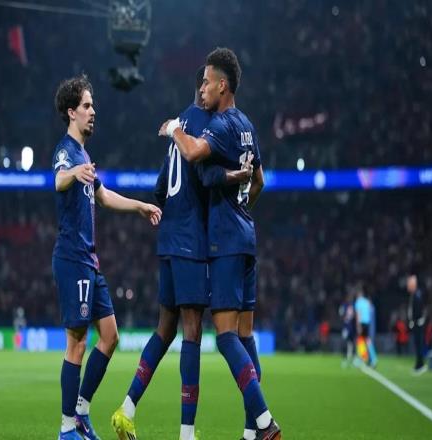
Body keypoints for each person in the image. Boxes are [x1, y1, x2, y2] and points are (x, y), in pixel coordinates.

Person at [112, 66, 253, 440]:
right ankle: (187, 434)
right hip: (192, 241)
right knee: (192, 332)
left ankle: (126, 408)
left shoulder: (179, 125)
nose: (208, 91)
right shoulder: (205, 126)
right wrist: (233, 179)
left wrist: (171, 213)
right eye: (205, 85)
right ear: (202, 90)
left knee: (164, 329)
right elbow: (207, 177)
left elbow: (161, 187)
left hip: (169, 239)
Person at [159, 47, 281, 440]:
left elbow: (193, 151)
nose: (202, 89)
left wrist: (174, 128)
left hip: (226, 243)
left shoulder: (223, 124)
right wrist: (242, 207)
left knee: (226, 337)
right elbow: (259, 180)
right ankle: (250, 433)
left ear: (223, 85)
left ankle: (265, 422)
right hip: (247, 238)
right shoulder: (247, 124)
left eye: (207, 83)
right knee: (246, 337)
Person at [52, 74, 161, 440]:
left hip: (90, 261)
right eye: (86, 105)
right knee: (77, 342)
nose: (93, 111)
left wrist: (140, 206)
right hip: (72, 259)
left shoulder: (84, 155)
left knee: (110, 336)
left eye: (92, 105)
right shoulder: (67, 151)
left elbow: (103, 195)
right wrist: (73, 172)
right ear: (72, 112)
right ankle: (67, 428)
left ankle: (81, 411)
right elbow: (58, 180)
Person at [407, 274, 427, 374]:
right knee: (417, 344)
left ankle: (420, 365)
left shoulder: (417, 295)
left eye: (409, 284)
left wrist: (416, 321)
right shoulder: (414, 295)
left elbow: (419, 310)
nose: (407, 285)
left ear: (413, 285)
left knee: (419, 344)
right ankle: (418, 364)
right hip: (416, 323)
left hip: (418, 324)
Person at [354, 286, 377, 367]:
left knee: (360, 340)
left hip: (362, 323)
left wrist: (358, 325)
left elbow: (358, 314)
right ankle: (373, 358)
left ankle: (363, 357)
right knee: (367, 340)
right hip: (368, 323)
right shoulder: (367, 302)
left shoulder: (358, 302)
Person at [339, 292, 355, 366]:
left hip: (350, 327)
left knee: (350, 342)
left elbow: (341, 315)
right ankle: (347, 356)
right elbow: (341, 314)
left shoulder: (351, 305)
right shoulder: (347, 306)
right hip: (347, 327)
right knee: (346, 341)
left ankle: (350, 356)